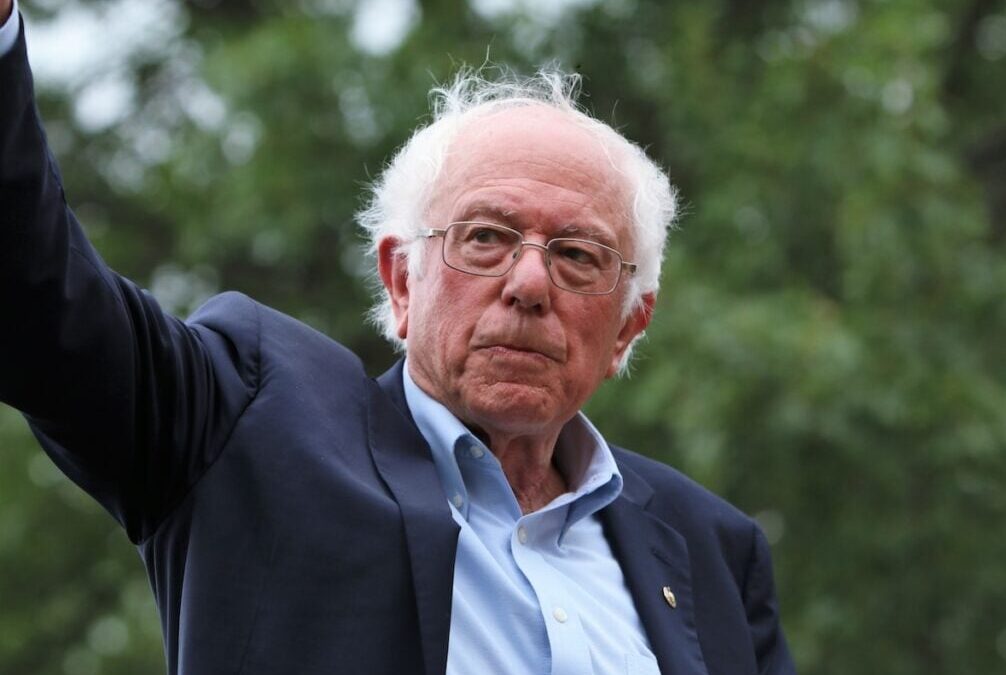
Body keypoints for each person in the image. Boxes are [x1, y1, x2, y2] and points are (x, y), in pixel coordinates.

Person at [0, 2, 796, 674]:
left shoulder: (713, 551)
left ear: (628, 324)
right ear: (401, 280)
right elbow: (37, 303)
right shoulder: (250, 423)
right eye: (485, 237)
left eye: (578, 256)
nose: (528, 283)